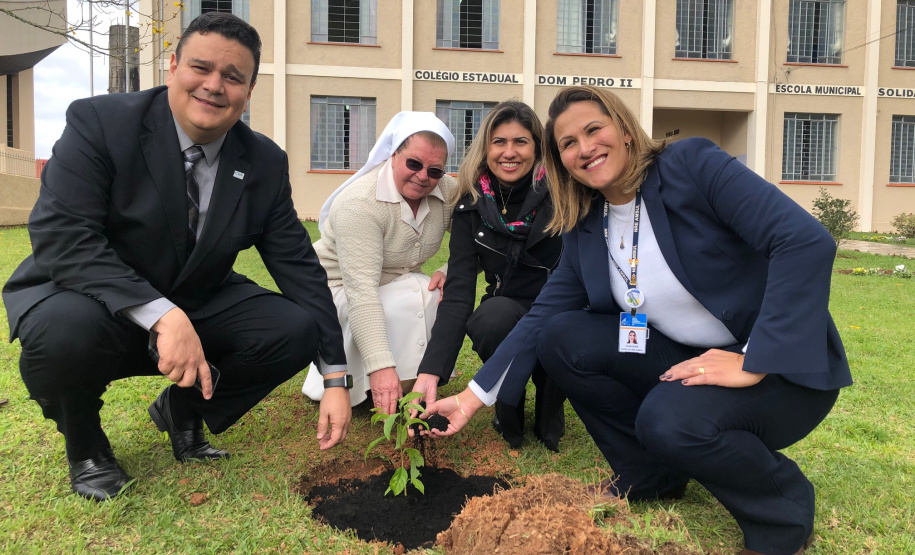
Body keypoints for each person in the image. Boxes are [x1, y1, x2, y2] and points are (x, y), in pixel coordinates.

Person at [424, 86, 852, 555]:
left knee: (666, 422)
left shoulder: (691, 165)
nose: (584, 148)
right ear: (560, 160)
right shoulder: (587, 220)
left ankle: (784, 509)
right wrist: (470, 398)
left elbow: (805, 241)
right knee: (562, 335)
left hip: (780, 371)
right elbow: (542, 315)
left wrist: (753, 358)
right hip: (687, 354)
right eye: (568, 143)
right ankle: (650, 474)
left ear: (625, 130)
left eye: (593, 129)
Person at [2, 13, 352, 502]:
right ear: (172, 67)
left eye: (233, 77)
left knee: (293, 328)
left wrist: (335, 374)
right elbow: (63, 235)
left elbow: (298, 266)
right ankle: (85, 446)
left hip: (195, 294)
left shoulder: (263, 162)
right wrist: (161, 314)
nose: (214, 86)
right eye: (201, 67)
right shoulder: (100, 123)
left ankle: (182, 411)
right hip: (89, 298)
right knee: (60, 333)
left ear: (248, 91)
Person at [411, 101, 566, 451]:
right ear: (486, 147)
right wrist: (430, 372)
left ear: (537, 147)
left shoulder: (563, 195)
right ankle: (508, 402)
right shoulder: (471, 203)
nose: (509, 152)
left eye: (520, 142)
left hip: (559, 303)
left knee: (549, 425)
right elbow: (461, 290)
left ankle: (550, 399)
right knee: (489, 320)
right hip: (508, 304)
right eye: (499, 142)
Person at [301, 112, 457, 416]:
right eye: (413, 163)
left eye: (435, 170)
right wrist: (380, 366)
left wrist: (448, 270)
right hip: (337, 288)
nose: (423, 176)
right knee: (405, 299)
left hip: (394, 281)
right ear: (394, 155)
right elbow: (361, 292)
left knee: (432, 292)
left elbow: (478, 242)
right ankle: (370, 385)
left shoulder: (446, 192)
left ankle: (416, 382)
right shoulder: (360, 203)